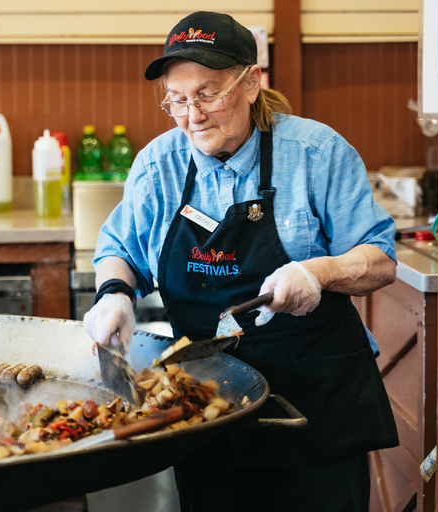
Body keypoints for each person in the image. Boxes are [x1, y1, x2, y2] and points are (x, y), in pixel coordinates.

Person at [82, 11, 399, 511]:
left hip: (315, 403)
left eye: (208, 93)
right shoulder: (158, 164)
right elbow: (119, 249)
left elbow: (379, 259)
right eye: (178, 100)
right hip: (207, 403)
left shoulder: (316, 153)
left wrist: (317, 271)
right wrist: (114, 295)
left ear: (252, 83)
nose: (193, 115)